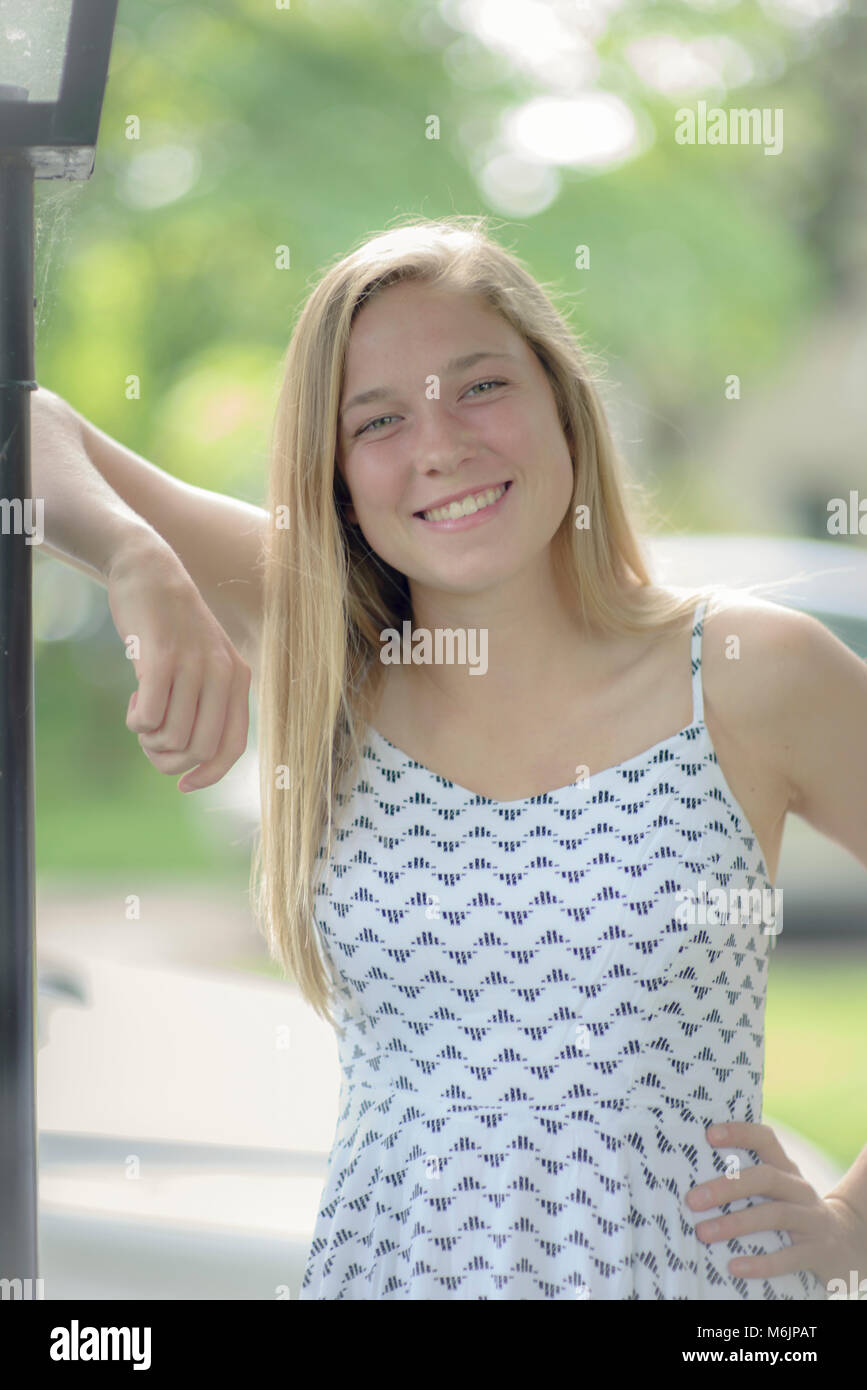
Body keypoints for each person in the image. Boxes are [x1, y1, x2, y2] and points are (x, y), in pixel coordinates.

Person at [31, 215, 867, 1301]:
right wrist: (138, 561)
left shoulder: (752, 667)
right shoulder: (329, 649)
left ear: (563, 400)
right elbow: (28, 421)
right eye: (377, 418)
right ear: (334, 472)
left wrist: (852, 1222)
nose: (440, 444)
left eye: (479, 386)